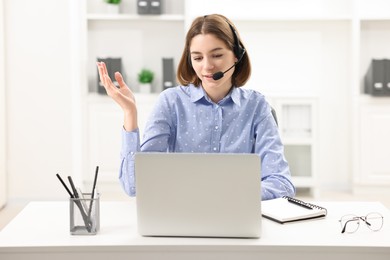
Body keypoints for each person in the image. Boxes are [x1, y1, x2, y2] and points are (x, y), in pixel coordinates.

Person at [97, 14, 295, 200]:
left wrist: (231, 197)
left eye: (216, 55)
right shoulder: (171, 102)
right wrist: (129, 113)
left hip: (238, 215)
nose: (207, 66)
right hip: (182, 216)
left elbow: (281, 183)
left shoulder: (256, 106)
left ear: (236, 55)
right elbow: (134, 187)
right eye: (198, 58)